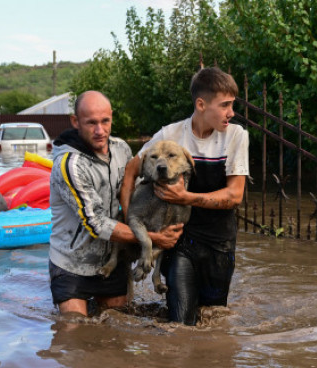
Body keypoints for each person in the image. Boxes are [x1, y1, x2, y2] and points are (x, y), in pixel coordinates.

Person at [121, 67, 249, 325]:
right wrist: (132, 226)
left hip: (220, 244)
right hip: (181, 242)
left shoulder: (236, 135)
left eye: (232, 105)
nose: (231, 113)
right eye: (224, 105)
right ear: (201, 104)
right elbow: (130, 172)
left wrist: (185, 197)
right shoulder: (170, 135)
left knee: (213, 321)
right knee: (180, 323)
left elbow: (234, 196)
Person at [49, 90, 183, 316]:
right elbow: (97, 224)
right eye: (91, 123)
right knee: (72, 334)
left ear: (112, 117)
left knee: (117, 330)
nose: (100, 130)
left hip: (114, 258)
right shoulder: (70, 165)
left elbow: (139, 188)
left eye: (105, 121)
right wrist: (154, 238)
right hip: (72, 264)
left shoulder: (121, 148)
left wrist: (178, 191)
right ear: (75, 122)